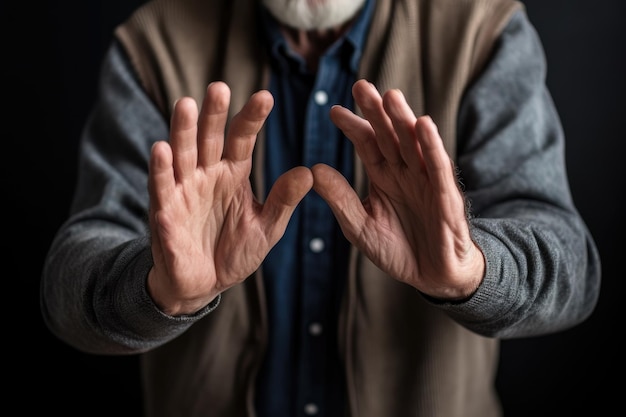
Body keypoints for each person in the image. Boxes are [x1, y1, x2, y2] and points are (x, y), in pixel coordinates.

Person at [40, 0, 601, 416]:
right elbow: (65, 294)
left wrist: (472, 272)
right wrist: (158, 293)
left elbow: (574, 270)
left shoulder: (482, 30)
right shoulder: (152, 43)